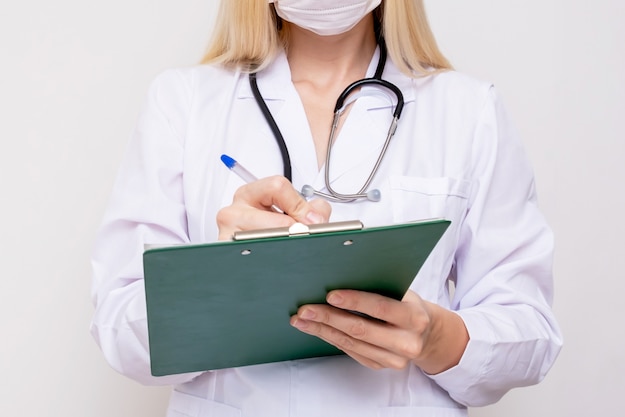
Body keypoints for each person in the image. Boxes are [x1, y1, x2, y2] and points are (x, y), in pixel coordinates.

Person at [90, 0, 562, 415]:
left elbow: (530, 329)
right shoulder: (184, 103)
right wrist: (216, 276)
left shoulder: (467, 110)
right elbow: (119, 330)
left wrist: (435, 335)